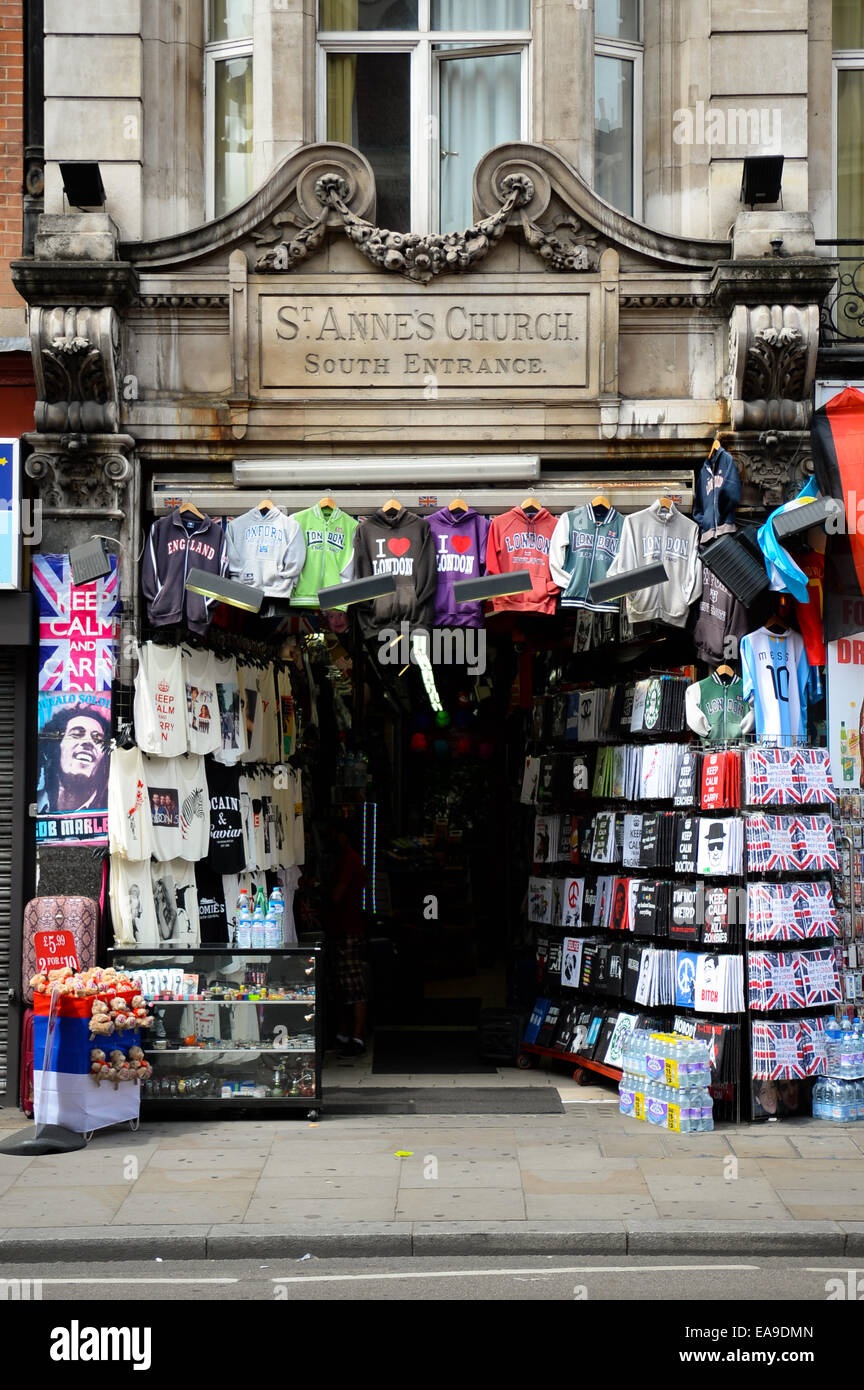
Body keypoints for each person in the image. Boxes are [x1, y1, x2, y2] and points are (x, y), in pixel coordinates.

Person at [324, 823, 369, 1057]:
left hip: (347, 928)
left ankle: (357, 1037)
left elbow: (337, 894)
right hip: (342, 928)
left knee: (352, 986)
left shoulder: (349, 860)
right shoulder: (348, 859)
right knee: (341, 985)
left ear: (344, 836)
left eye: (335, 834)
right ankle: (344, 1034)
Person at [37, 702, 110, 815]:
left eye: (97, 738)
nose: (88, 742)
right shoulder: (34, 801)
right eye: (76, 734)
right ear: (55, 748)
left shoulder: (112, 806)